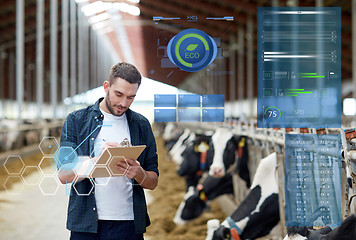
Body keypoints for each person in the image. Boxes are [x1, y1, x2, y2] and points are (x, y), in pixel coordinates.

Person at [57, 62, 159, 240]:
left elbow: (153, 181)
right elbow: (64, 175)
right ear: (106, 87)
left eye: (130, 97)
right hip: (86, 225)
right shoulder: (77, 120)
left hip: (128, 225)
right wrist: (99, 160)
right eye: (118, 94)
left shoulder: (142, 125)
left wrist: (139, 173)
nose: (123, 103)